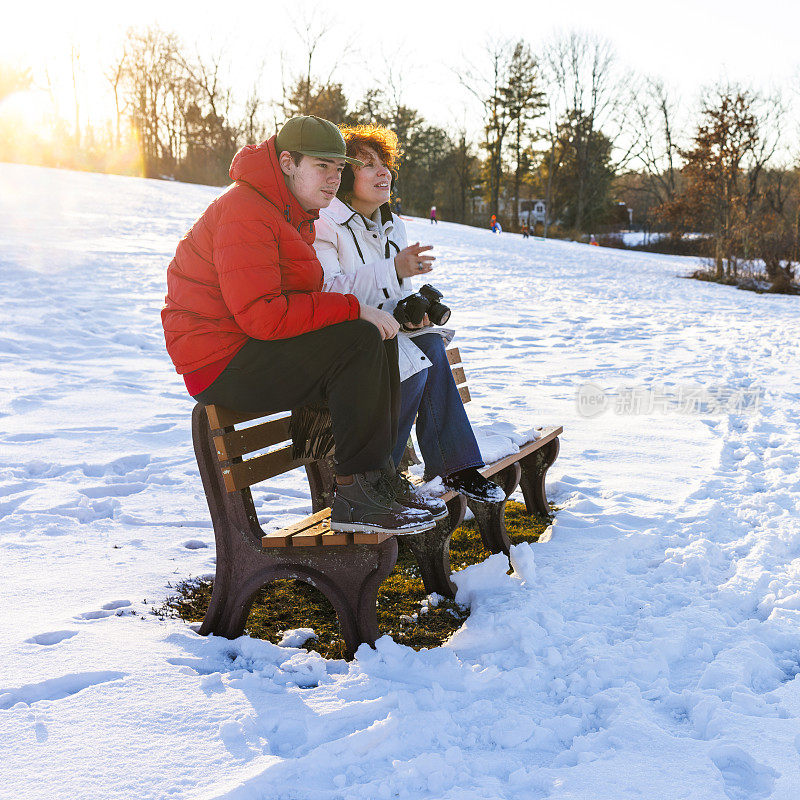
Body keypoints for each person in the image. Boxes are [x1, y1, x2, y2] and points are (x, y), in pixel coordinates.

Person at [161, 115, 437, 535]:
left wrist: (356, 312)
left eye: (339, 168)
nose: (333, 178)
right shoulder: (245, 211)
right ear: (288, 162)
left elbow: (291, 301)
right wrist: (350, 309)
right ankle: (357, 494)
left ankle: (379, 480)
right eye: (322, 166)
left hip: (246, 347)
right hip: (218, 360)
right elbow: (263, 314)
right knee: (360, 338)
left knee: (377, 337)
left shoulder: (291, 211)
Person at [313, 124, 505, 504]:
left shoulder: (393, 225)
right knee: (417, 358)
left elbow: (395, 294)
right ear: (345, 174)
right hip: (345, 350)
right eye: (368, 164)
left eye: (385, 163)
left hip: (387, 343)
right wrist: (394, 270)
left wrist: (412, 314)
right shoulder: (324, 223)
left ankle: (453, 469)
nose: (383, 171)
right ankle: (385, 475)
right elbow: (328, 291)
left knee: (429, 342)